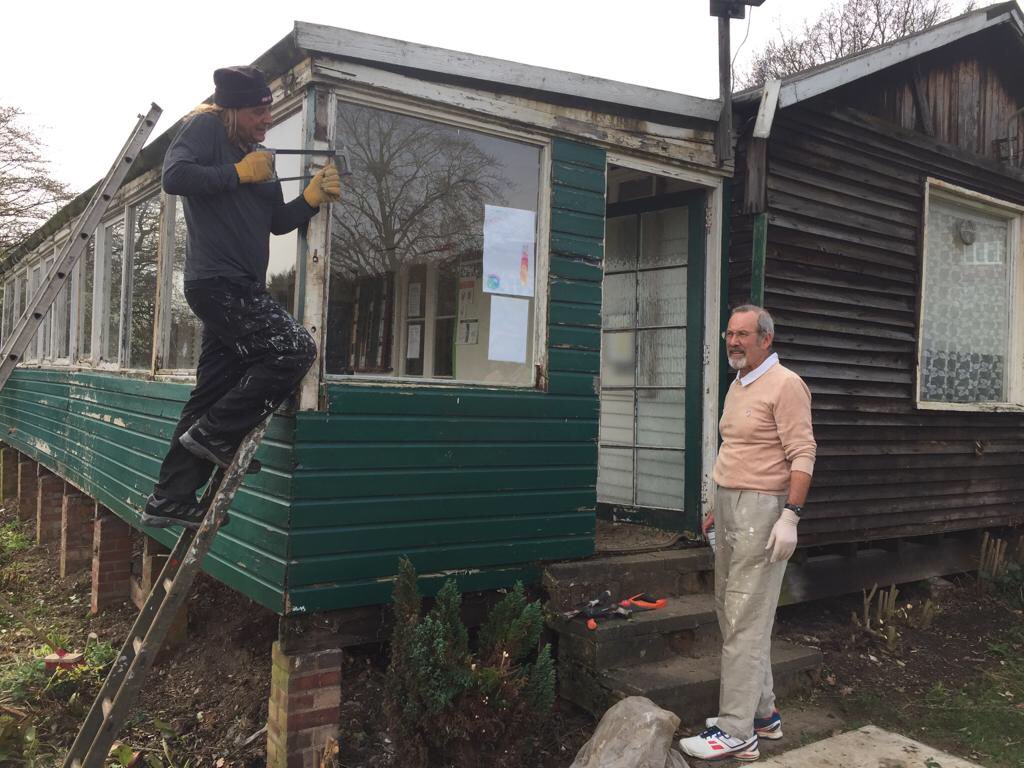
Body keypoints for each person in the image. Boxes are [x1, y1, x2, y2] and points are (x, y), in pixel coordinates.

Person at [141, 65, 341, 530]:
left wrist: (311, 198)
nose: (265, 120)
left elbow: (276, 223)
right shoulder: (207, 127)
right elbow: (174, 176)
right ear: (232, 111)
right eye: (257, 112)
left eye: (269, 111)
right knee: (295, 349)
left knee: (210, 392)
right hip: (216, 282)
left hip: (241, 286)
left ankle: (168, 497)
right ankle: (216, 437)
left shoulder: (262, 158)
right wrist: (235, 173)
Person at [678, 304, 815, 762]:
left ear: (766, 339)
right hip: (731, 506)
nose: (733, 342)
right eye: (729, 334)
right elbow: (737, 447)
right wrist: (717, 507)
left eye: (743, 335)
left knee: (745, 618)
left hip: (764, 510)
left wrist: (790, 516)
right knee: (729, 610)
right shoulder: (739, 384)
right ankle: (762, 714)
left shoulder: (787, 385)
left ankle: (737, 732)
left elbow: (802, 454)